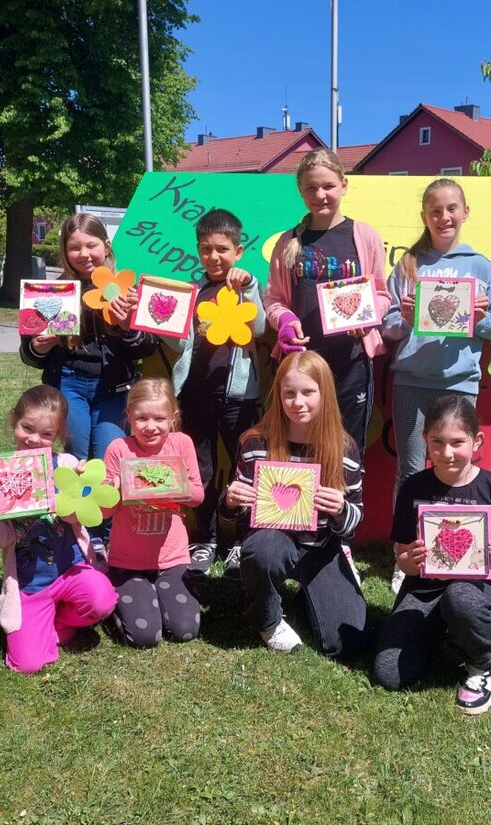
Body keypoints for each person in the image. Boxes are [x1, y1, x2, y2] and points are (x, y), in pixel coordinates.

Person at [382, 178, 491, 594]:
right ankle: (406, 556)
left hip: (459, 384)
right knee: (410, 470)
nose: (444, 217)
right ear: (425, 216)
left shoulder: (480, 265)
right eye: (435, 211)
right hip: (411, 382)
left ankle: (456, 549)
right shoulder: (407, 265)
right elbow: (386, 326)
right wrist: (402, 318)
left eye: (452, 208)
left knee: (457, 472)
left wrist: (478, 318)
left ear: (465, 212)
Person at [373, 396, 491, 715]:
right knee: (387, 674)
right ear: (425, 440)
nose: (447, 453)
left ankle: (483, 664)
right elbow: (403, 558)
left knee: (460, 598)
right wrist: (411, 561)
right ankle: (448, 636)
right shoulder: (414, 489)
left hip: (484, 589)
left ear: (477, 441)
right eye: (437, 442)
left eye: (458, 442)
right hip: (426, 586)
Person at [221, 351, 368, 658]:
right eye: (289, 393)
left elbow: (355, 520)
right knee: (262, 550)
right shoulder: (256, 443)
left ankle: (307, 598)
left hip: (322, 547)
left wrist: (341, 508)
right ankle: (266, 617)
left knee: (345, 644)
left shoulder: (344, 448)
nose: (298, 402)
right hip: (273, 538)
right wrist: (232, 500)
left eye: (308, 392)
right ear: (278, 396)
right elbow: (235, 512)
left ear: (324, 393)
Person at [0, 386, 118, 674]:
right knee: (27, 664)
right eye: (27, 428)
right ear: (13, 421)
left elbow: (86, 516)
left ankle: (61, 620)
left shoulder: (65, 465)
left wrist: (86, 486)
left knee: (102, 600)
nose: (34, 439)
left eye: (46, 435)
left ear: (58, 436)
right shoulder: (0, 474)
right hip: (31, 583)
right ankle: (40, 620)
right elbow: (4, 540)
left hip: (70, 569)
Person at [263, 148, 389, 459]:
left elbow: (383, 295)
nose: (320, 194)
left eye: (328, 186)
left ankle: (343, 507)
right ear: (300, 191)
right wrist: (286, 322)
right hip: (301, 366)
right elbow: (274, 300)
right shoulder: (287, 242)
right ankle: (302, 508)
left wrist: (368, 318)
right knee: (300, 449)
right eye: (311, 188)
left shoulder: (365, 236)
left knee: (348, 449)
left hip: (351, 364)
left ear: (344, 185)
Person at [172, 208, 266, 577]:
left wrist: (250, 288)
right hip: (195, 395)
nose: (214, 257)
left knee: (247, 470)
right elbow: (179, 342)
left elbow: (258, 327)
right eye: (206, 249)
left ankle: (244, 542)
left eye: (222, 249)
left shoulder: (245, 286)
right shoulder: (192, 292)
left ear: (238, 251)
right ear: (198, 250)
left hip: (238, 399)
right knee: (201, 470)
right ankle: (206, 540)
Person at [20, 213, 157, 463]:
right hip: (68, 384)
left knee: (112, 456)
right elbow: (28, 354)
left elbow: (148, 347)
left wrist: (128, 327)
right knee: (75, 457)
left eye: (91, 245)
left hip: (113, 388)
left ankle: (108, 503)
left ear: (106, 247)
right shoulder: (51, 293)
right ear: (65, 252)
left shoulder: (128, 289)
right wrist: (38, 347)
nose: (83, 254)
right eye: (74, 247)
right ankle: (74, 502)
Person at [102, 379, 204, 648]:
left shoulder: (181, 444)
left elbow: (197, 496)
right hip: (128, 561)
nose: (150, 426)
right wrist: (114, 492)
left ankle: (155, 595)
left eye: (159, 418)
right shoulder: (119, 450)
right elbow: (103, 512)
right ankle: (117, 599)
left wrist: (170, 485)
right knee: (145, 637)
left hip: (172, 558)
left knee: (185, 631)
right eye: (142, 418)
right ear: (129, 417)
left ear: (173, 417)